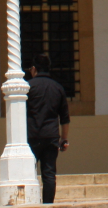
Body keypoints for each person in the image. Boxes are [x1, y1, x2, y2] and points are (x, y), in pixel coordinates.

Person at [25, 54, 70, 205]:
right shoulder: (57, 87)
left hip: (31, 136)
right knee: (49, 174)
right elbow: (64, 118)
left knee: (29, 173)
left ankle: (31, 203)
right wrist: (64, 139)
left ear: (34, 69)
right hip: (51, 136)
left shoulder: (28, 87)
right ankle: (48, 204)